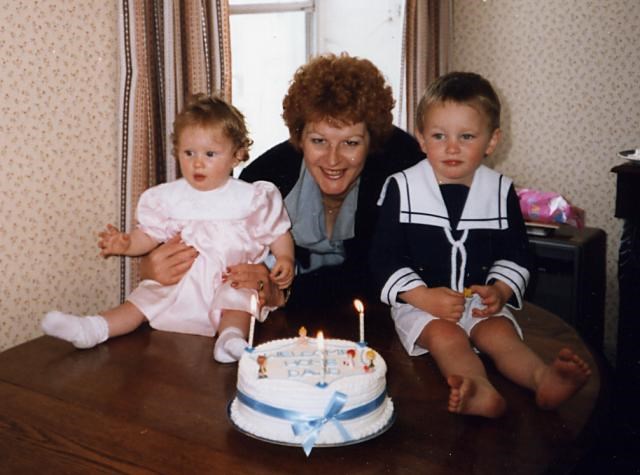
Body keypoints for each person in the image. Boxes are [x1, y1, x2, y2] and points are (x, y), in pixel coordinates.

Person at [370, 72, 591, 418]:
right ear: (422, 139)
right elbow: (384, 257)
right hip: (422, 304)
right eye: (439, 136)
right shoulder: (401, 187)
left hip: (478, 302)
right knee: (447, 338)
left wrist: (500, 291)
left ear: (492, 141)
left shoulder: (500, 190)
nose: (452, 147)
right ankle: (479, 388)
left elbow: (516, 253)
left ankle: (543, 377)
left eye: (467, 136)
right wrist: (422, 296)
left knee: (500, 334)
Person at [141, 53, 425, 309]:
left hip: (379, 319)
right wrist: (155, 269)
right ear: (299, 137)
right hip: (282, 323)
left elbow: (379, 274)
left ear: (372, 140)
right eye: (318, 141)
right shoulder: (265, 180)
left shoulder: (401, 172)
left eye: (350, 143)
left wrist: (283, 291)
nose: (333, 159)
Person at [42, 94, 294, 363]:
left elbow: (277, 233)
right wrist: (126, 244)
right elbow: (149, 235)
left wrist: (285, 258)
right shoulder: (169, 198)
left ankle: (231, 339)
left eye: (210, 154)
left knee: (239, 301)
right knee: (142, 300)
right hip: (182, 279)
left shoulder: (251, 198)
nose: (198, 163)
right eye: (189, 153)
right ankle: (93, 328)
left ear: (237, 155)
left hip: (229, 277)